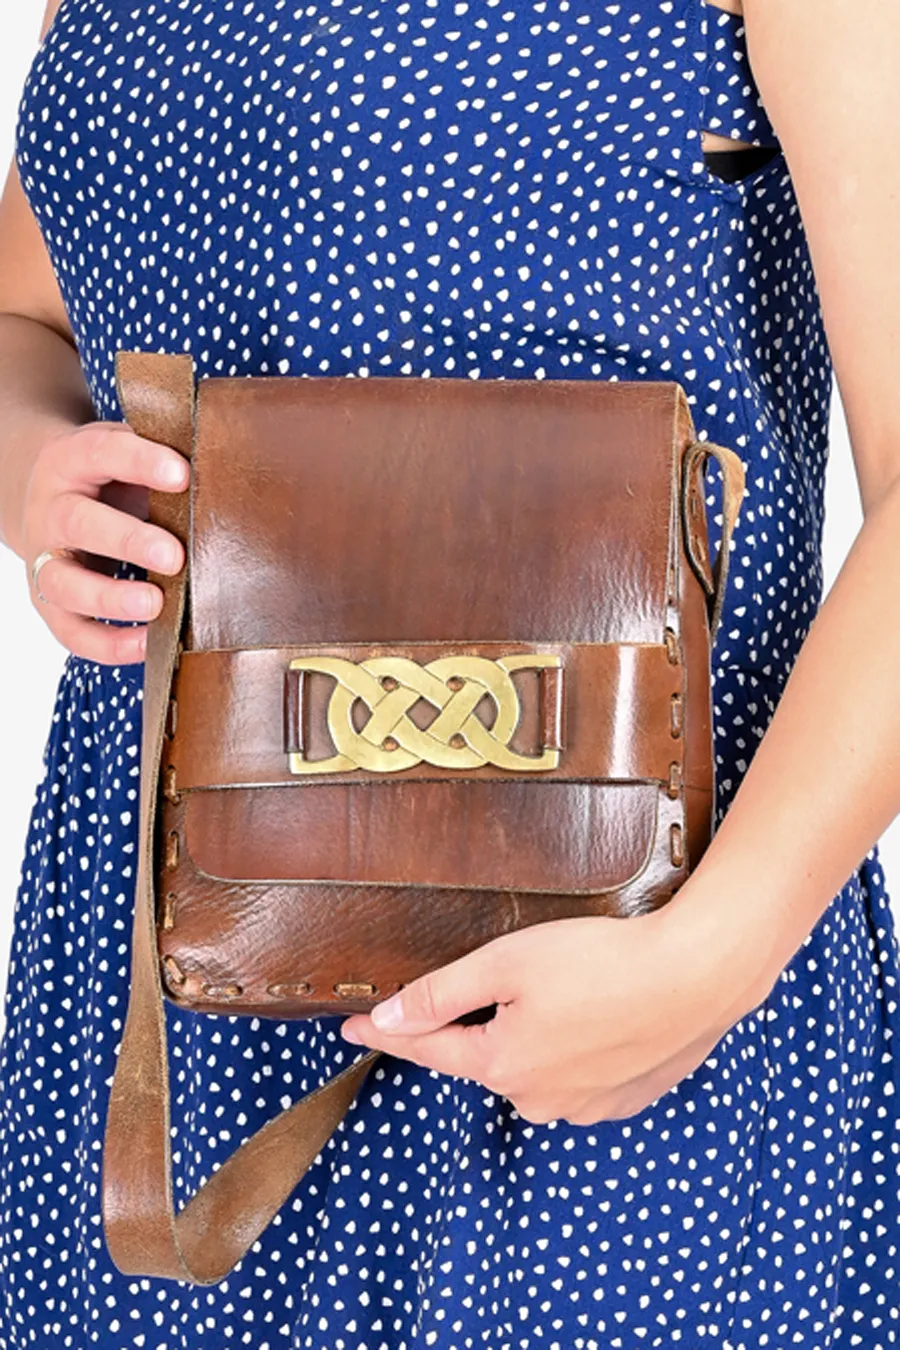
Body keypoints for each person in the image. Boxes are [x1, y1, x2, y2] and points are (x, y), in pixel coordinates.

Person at [1, 0, 899, 1344]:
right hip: (159, 973)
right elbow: (30, 308)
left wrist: (713, 960)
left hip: (619, 987)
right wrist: (29, 461)